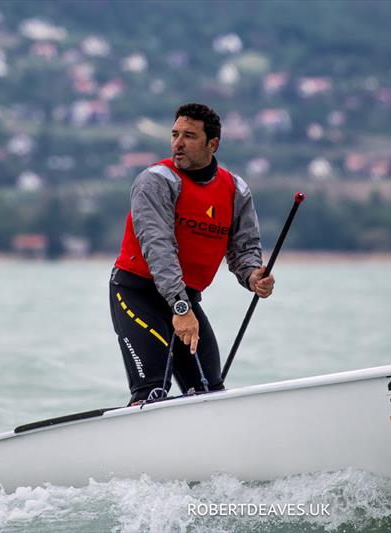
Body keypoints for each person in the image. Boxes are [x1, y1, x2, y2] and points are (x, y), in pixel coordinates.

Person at [109, 103, 274, 405]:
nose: (178, 144)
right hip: (137, 293)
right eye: (174, 135)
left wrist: (253, 276)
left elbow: (244, 248)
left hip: (184, 300)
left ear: (213, 143)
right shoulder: (156, 181)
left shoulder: (236, 190)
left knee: (210, 394)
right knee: (153, 393)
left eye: (189, 136)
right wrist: (181, 308)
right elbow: (159, 248)